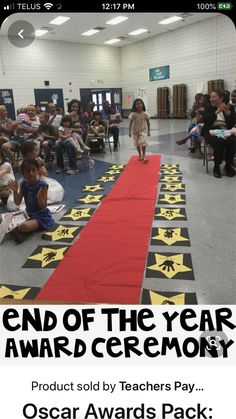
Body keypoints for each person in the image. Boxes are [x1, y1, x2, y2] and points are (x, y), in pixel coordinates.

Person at [8, 159, 54, 243]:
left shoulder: (42, 185)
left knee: (24, 226)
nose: (31, 173)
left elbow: (43, 206)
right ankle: (22, 232)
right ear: (23, 174)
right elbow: (17, 202)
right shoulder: (23, 184)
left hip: (40, 216)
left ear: (38, 171)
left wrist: (39, 197)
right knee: (2, 218)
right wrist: (15, 191)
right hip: (28, 215)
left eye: (33, 170)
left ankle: (21, 231)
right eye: (27, 171)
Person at [202, 89, 236, 178]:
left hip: (226, 131)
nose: (211, 99)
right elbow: (206, 121)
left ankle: (228, 166)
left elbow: (232, 124)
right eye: (210, 97)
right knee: (219, 141)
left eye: (214, 97)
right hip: (210, 132)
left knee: (233, 140)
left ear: (221, 98)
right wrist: (217, 112)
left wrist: (228, 112)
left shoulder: (230, 107)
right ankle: (216, 166)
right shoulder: (208, 108)